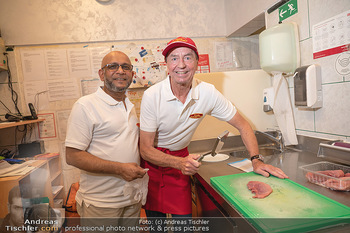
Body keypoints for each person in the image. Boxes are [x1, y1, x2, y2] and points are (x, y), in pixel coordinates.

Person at [139, 37, 288, 221]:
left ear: (197, 62)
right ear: (166, 65)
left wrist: (256, 160)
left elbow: (243, 125)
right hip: (154, 162)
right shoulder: (152, 96)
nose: (181, 65)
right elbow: (145, 149)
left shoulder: (207, 93)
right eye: (174, 58)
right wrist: (178, 163)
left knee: (184, 224)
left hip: (181, 160)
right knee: (157, 225)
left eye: (188, 58)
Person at [65, 51, 147, 232]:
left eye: (126, 67)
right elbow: (72, 156)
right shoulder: (85, 105)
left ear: (132, 74)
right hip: (101, 205)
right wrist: (120, 169)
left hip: (131, 200)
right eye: (113, 66)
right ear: (102, 74)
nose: (120, 71)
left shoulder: (129, 105)